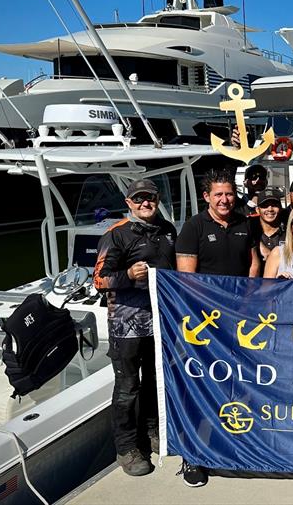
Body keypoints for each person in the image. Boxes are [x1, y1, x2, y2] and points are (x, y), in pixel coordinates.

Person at [174, 169, 260, 487]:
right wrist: (216, 309)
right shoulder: (193, 227)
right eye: (218, 194)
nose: (225, 199)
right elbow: (187, 278)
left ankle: (229, 445)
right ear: (207, 197)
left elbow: (253, 263)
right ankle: (192, 457)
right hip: (204, 324)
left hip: (238, 322)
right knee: (199, 388)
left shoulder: (243, 223)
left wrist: (247, 302)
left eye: (229, 193)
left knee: (235, 387)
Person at [93, 179, 176, 477]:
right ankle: (127, 447)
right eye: (138, 199)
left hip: (160, 322)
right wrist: (127, 274)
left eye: (150, 198)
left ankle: (153, 432)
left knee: (157, 381)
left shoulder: (167, 230)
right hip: (125, 327)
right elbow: (99, 280)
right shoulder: (115, 235)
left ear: (157, 199)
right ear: (128, 203)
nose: (145, 203)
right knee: (128, 388)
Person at [251, 188, 285, 273]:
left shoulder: (289, 231)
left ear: (280, 208)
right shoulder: (249, 230)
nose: (270, 209)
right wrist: (258, 244)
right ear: (257, 210)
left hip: (282, 282)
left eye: (274, 205)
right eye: (265, 205)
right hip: (254, 283)